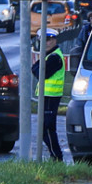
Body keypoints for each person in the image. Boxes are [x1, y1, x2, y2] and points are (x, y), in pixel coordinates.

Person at [31, 28, 66, 161]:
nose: (46, 43)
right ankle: (55, 156)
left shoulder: (54, 57)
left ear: (54, 40)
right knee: (44, 128)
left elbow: (40, 73)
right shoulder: (48, 55)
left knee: (47, 128)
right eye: (44, 40)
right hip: (45, 97)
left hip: (51, 97)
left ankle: (56, 156)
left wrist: (37, 69)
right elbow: (34, 68)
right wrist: (37, 68)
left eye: (49, 40)